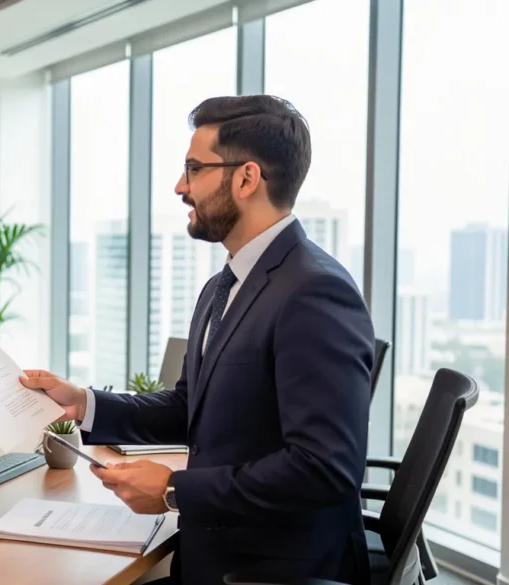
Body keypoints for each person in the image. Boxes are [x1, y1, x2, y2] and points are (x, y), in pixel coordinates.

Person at [22, 95, 374, 584]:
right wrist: (84, 404)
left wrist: (174, 490)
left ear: (247, 178)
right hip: (216, 555)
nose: (180, 186)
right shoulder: (223, 285)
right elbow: (191, 406)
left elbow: (324, 469)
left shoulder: (314, 291)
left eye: (194, 168)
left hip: (272, 569)